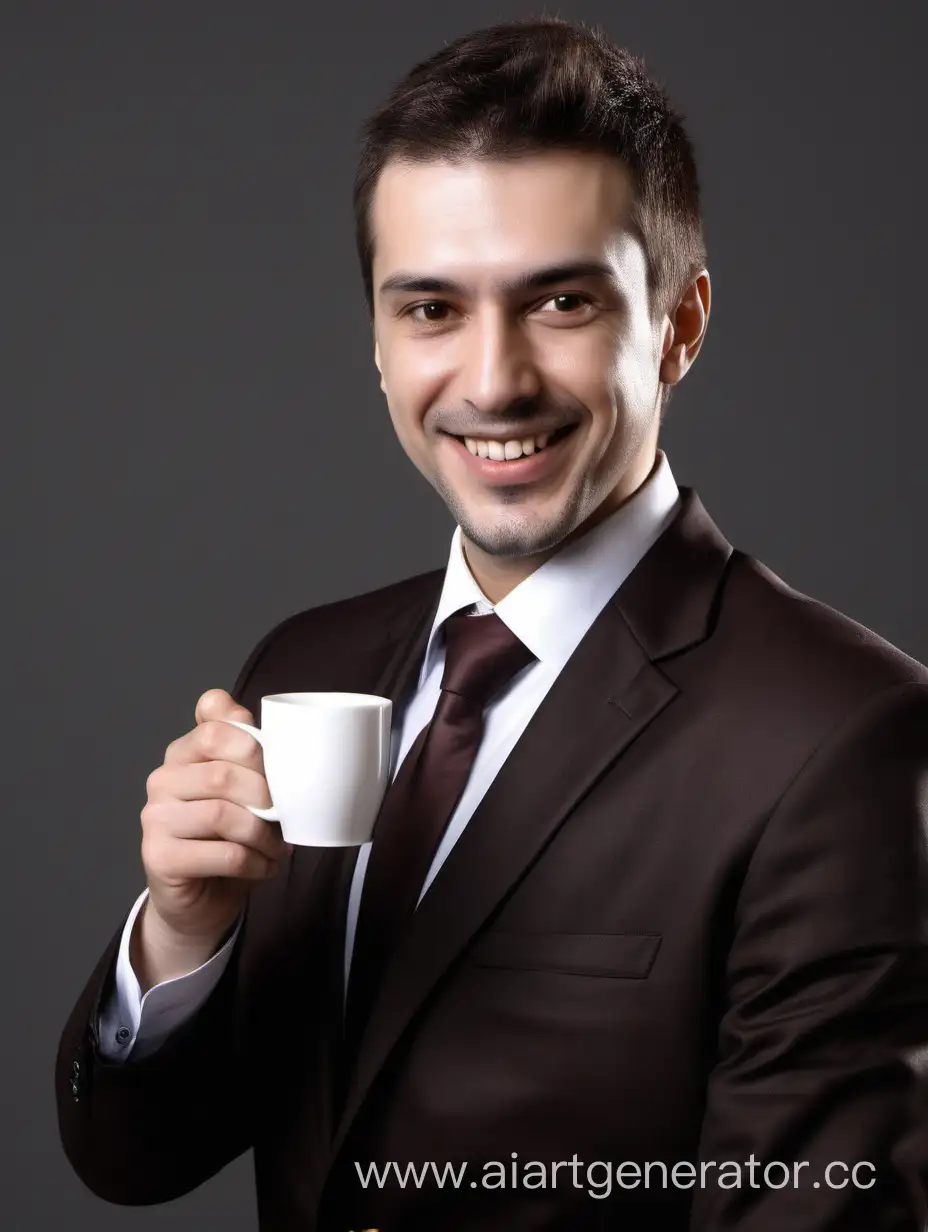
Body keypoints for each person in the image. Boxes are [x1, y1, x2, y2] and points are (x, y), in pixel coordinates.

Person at [56, 15, 928, 1232]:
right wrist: (180, 938)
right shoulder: (304, 666)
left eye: (560, 301)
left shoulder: (844, 737)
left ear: (679, 323)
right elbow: (134, 1156)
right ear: (374, 337)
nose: (490, 379)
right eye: (429, 310)